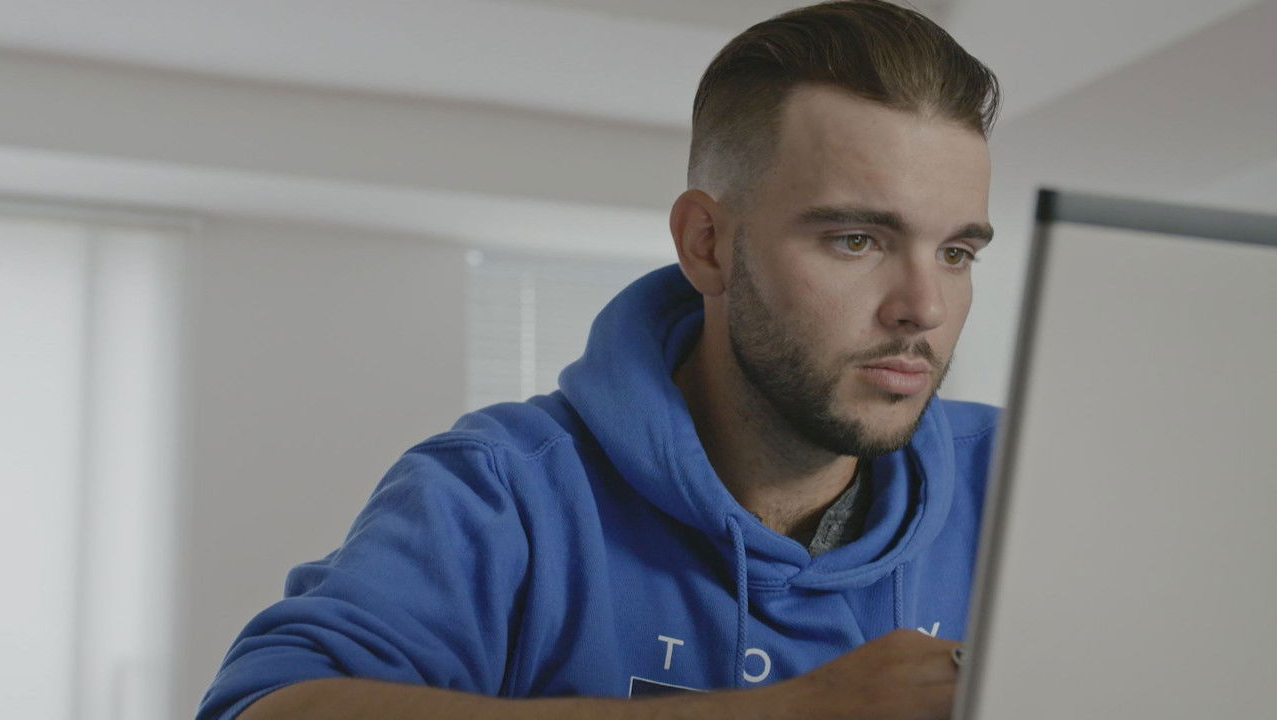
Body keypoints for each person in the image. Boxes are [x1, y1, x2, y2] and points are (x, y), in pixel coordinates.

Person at [198, 1, 1001, 718]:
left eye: (956, 253)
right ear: (706, 244)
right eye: (857, 240)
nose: (924, 308)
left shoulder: (1014, 488)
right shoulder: (501, 493)